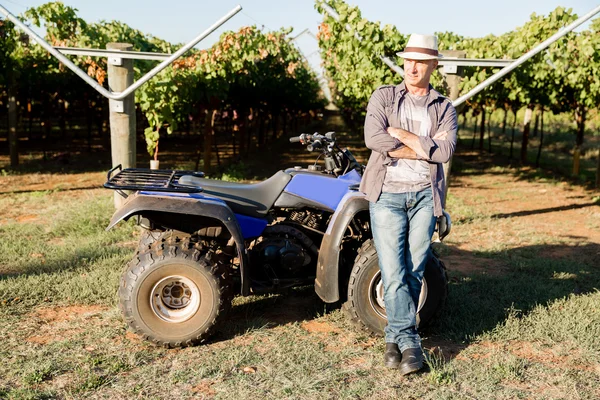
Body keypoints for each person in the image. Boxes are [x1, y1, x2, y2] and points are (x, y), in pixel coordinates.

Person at [359, 33, 457, 375]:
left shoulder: (443, 106)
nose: (412, 67)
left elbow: (445, 153)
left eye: (420, 61)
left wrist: (403, 135)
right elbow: (374, 139)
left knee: (415, 269)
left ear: (433, 65)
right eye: (408, 60)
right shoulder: (384, 96)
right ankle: (411, 344)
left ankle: (394, 337)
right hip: (387, 194)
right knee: (393, 270)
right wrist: (424, 146)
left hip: (424, 198)